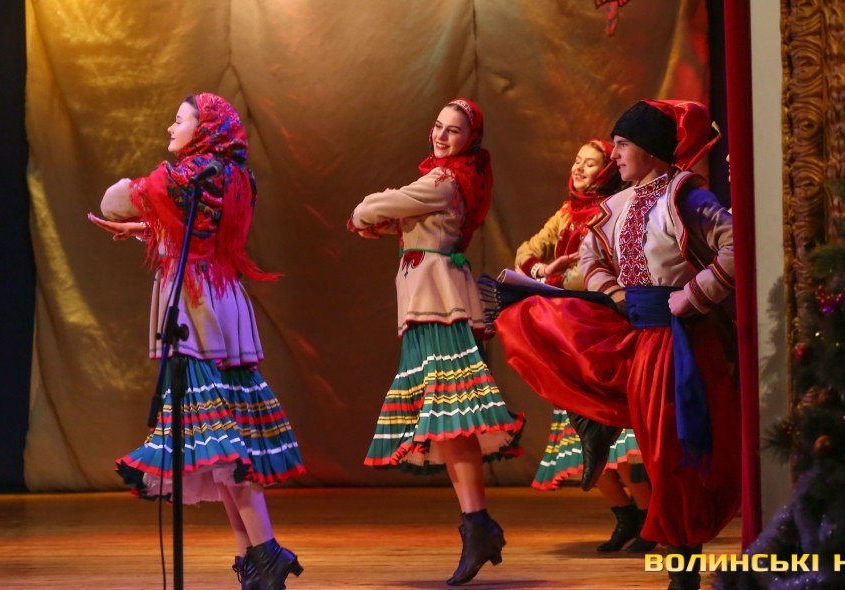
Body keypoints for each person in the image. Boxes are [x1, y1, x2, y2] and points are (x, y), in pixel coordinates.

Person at [495, 100, 739, 590]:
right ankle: (676, 554)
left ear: (649, 150)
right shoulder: (618, 205)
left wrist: (693, 295)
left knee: (676, 452)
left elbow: (736, 244)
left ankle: (684, 565)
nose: (616, 155)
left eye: (623, 145)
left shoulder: (685, 196)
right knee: (655, 451)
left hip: (683, 342)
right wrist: (616, 294)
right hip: (642, 340)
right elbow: (592, 256)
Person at [90, 93, 307, 590]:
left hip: (197, 305)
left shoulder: (189, 173)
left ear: (203, 128)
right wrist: (148, 228)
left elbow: (111, 198)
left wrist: (141, 198)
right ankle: (253, 556)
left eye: (179, 120)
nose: (171, 128)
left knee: (221, 441)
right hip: (220, 297)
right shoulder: (235, 175)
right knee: (219, 442)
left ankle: (267, 549)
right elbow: (200, 232)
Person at [347, 98, 526, 586]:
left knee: (453, 418)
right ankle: (477, 524)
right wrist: (389, 216)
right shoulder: (441, 181)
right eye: (438, 127)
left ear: (471, 140)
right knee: (447, 423)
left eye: (454, 130)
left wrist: (380, 209)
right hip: (426, 302)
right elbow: (388, 217)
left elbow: (368, 210)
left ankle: (478, 524)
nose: (442, 136)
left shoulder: (444, 181)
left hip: (438, 304)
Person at [512, 138, 655, 553]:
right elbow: (526, 253)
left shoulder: (615, 210)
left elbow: (607, 270)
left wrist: (563, 276)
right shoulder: (565, 213)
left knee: (620, 443)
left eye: (589, 164)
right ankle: (625, 517)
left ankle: (650, 520)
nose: (578, 168)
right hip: (570, 336)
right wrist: (544, 269)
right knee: (580, 444)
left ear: (607, 171)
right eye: (577, 161)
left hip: (604, 333)